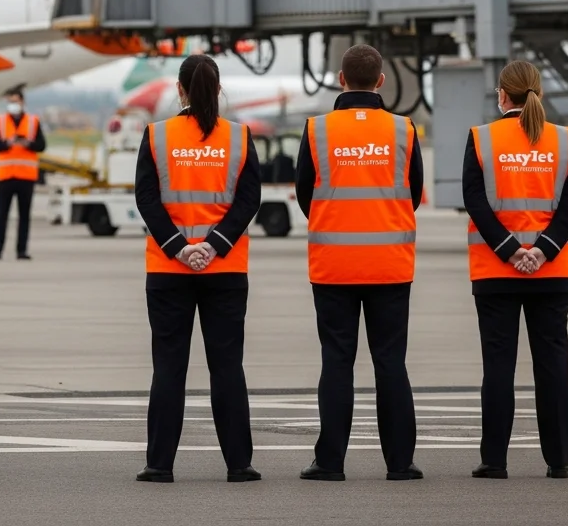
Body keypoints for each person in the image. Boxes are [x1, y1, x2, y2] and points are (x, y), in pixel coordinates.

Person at [294, 43, 424, 483]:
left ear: (340, 79)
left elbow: (305, 195)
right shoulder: (404, 130)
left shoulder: (317, 129)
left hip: (334, 264)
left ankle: (330, 462)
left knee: (337, 362)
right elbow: (415, 192)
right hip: (390, 262)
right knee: (391, 362)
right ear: (381, 81)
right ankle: (400, 463)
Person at [133, 53, 262, 484]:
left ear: (180, 90)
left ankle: (159, 464)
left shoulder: (156, 135)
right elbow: (248, 201)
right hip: (225, 269)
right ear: (219, 89)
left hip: (169, 270)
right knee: (227, 367)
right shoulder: (240, 138)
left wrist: (179, 248)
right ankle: (239, 464)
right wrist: (214, 245)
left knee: (169, 367)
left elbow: (147, 200)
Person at [463, 59, 568, 480]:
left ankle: (494, 460)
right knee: (552, 365)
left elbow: (475, 202)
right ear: (538, 92)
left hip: (495, 271)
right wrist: (543, 251)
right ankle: (559, 461)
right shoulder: (565, 140)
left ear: (502, 95)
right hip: (552, 273)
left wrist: (510, 250)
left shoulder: (481, 139)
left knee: (498, 366)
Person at [0, 86, 46, 260]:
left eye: (15, 102)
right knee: (2, 215)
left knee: (24, 217)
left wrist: (29, 143)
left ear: (22, 102)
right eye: (10, 102)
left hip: (26, 177)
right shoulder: (0, 121)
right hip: (6, 176)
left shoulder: (33, 121)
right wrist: (7, 143)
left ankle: (22, 251)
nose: (13, 105)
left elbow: (42, 145)